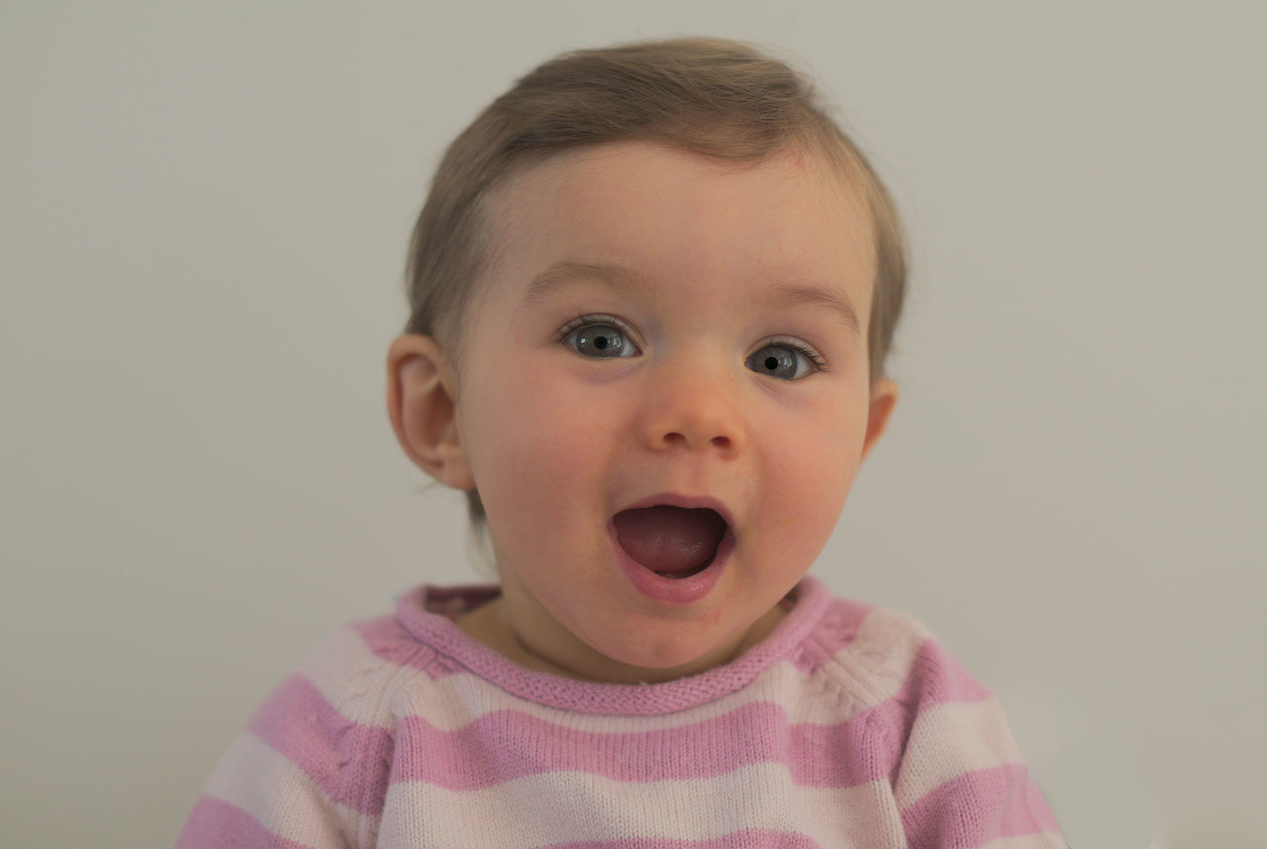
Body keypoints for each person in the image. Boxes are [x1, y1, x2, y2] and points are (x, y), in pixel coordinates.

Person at [174, 36, 1068, 848]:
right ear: (443, 414)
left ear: (862, 435)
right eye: (602, 338)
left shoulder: (904, 715)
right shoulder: (351, 730)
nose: (699, 412)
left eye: (780, 357)